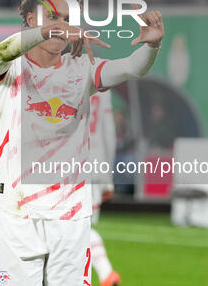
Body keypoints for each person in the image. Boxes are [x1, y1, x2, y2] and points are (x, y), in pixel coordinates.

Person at [0, 0, 163, 285]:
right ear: (31, 20)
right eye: (54, 17)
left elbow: (132, 67)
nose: (62, 26)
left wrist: (152, 46)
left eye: (68, 20)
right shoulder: (10, 68)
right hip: (17, 207)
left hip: (70, 210)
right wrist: (49, 32)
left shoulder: (82, 67)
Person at [89, 90, 120, 286]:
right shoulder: (103, 86)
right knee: (82, 225)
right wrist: (107, 174)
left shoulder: (62, 75)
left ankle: (106, 272)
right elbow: (109, 132)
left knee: (76, 226)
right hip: (96, 162)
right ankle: (105, 273)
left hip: (69, 163)